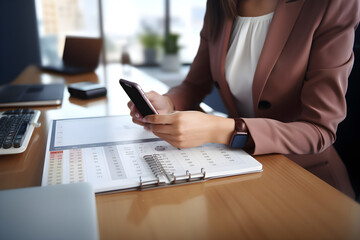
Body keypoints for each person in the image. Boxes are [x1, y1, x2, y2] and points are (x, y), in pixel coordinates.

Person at [128, 0, 360, 198]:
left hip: (306, 183)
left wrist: (222, 129)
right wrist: (168, 102)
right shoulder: (219, 4)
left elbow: (319, 130)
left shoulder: (331, 4)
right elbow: (195, 84)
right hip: (238, 172)